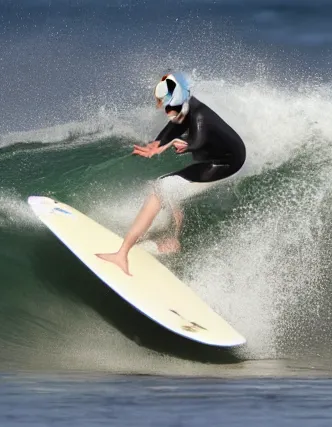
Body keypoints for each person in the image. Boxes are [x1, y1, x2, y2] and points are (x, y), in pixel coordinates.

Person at [96, 72, 246, 276]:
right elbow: (174, 127)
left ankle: (124, 253)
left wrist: (174, 146)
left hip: (226, 163)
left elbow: (198, 140)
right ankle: (171, 238)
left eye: (170, 105)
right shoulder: (187, 107)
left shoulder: (199, 114)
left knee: (162, 188)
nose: (168, 110)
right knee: (165, 185)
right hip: (220, 156)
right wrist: (157, 143)